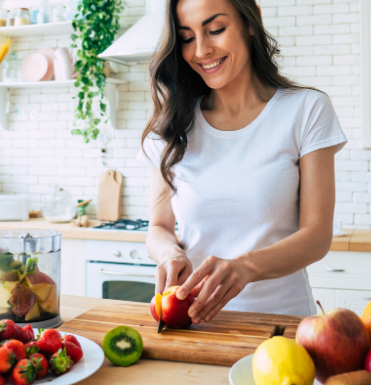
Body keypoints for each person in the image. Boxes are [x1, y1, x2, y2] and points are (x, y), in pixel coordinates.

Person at [136, 0, 347, 325]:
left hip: (282, 326)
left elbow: (317, 236)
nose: (202, 50)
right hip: (196, 325)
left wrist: (243, 268)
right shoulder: (172, 127)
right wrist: (169, 252)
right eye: (188, 38)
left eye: (215, 29)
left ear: (251, 22)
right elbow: (159, 227)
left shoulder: (306, 110)